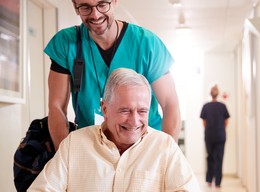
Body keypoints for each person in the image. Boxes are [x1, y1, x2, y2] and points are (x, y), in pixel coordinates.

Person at [16, 68, 206, 192]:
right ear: (104, 108)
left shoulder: (164, 146)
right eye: (125, 110)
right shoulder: (75, 143)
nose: (134, 121)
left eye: (142, 111)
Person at [46, 0, 181, 150]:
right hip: (92, 147)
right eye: (85, 7)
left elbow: (170, 105)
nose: (95, 15)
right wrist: (66, 156)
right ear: (75, 7)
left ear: (115, 1)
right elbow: (56, 106)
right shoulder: (66, 43)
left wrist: (166, 156)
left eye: (102, 4)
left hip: (145, 146)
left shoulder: (146, 43)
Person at [200, 85, 230, 188]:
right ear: (217, 94)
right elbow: (226, 122)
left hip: (209, 135)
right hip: (220, 135)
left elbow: (204, 122)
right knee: (219, 158)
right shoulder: (223, 106)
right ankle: (218, 182)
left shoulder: (206, 106)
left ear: (210, 93)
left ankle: (209, 180)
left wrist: (210, 129)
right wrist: (221, 129)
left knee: (210, 157)